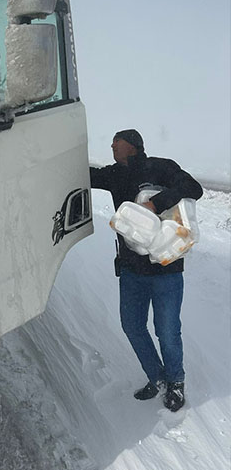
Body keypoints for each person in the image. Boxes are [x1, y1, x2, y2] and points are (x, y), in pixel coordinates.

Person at [90, 129, 203, 412]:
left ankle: (176, 382)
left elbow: (193, 188)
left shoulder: (161, 167)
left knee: (167, 331)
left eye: (117, 142)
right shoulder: (114, 174)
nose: (112, 146)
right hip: (131, 270)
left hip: (166, 268)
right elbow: (84, 175)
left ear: (133, 146)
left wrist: (157, 203)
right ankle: (158, 378)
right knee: (132, 326)